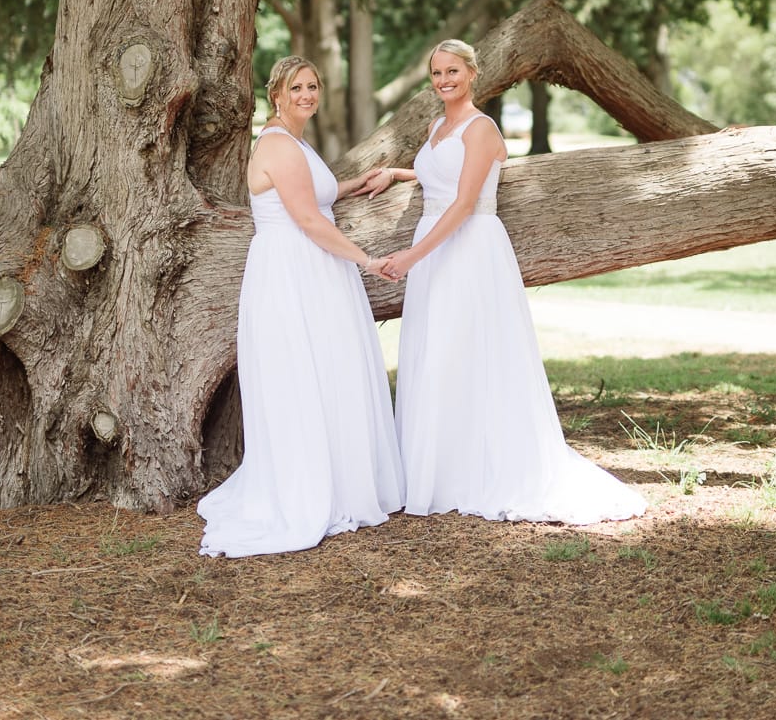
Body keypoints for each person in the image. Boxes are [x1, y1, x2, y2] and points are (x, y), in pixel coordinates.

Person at [366, 40, 645, 525]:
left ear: (472, 74)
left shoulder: (482, 128)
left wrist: (410, 256)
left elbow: (464, 202)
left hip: (468, 247)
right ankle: (437, 470)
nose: (443, 80)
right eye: (436, 73)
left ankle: (480, 468)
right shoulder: (438, 126)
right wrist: (397, 171)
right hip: (437, 248)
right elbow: (440, 177)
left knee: (472, 351)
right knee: (436, 351)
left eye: (452, 71)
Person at [198, 56, 404, 557]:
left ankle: (340, 478)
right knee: (303, 374)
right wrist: (368, 261)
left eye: (313, 86)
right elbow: (310, 221)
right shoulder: (275, 144)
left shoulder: (293, 141)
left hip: (312, 270)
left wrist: (361, 182)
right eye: (297, 87)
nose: (307, 95)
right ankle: (309, 489)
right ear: (277, 94)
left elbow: (314, 193)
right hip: (294, 272)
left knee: (327, 371)